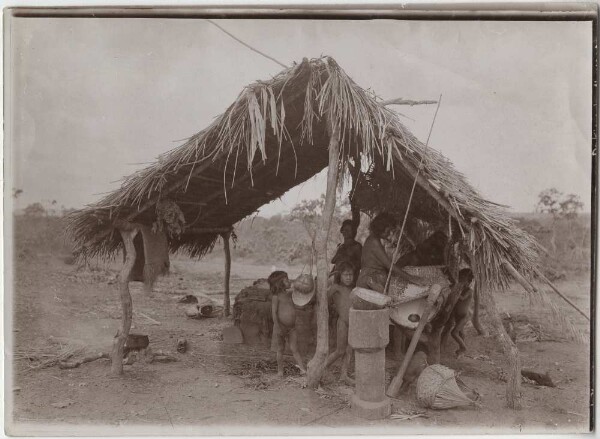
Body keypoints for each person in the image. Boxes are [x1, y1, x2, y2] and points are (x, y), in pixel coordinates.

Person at [356, 212, 424, 291]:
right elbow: (389, 265)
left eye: (391, 231)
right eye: (388, 231)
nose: (390, 234)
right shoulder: (374, 242)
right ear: (380, 229)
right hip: (369, 282)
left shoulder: (374, 239)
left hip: (373, 280)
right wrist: (411, 278)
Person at [269, 271, 306, 377]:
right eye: (286, 280)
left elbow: (297, 299)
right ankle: (280, 371)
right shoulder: (276, 297)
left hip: (291, 328)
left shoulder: (289, 294)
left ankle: (302, 369)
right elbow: (274, 313)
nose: (289, 281)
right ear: (279, 283)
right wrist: (278, 327)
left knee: (295, 349)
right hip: (280, 327)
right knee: (280, 349)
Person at [325, 261, 355, 385]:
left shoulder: (353, 289)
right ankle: (322, 366)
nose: (348, 277)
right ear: (340, 276)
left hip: (353, 323)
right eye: (345, 275)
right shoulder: (336, 288)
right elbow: (324, 298)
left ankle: (344, 375)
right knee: (340, 350)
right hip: (342, 322)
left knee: (349, 350)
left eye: (351, 275)